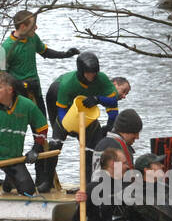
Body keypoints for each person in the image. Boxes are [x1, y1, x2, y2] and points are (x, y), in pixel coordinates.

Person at [45, 51, 120, 193]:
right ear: (81, 71)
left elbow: (113, 102)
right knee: (56, 142)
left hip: (87, 108)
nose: (92, 76)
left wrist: (98, 100)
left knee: (93, 147)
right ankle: (47, 181)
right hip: (60, 101)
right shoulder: (67, 84)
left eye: (94, 73)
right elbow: (60, 111)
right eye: (88, 73)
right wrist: (68, 126)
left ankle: (88, 186)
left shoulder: (102, 79)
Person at [0, 72, 50, 196]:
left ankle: (10, 179)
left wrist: (35, 149)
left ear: (10, 90)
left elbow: (42, 128)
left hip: (13, 156)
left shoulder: (27, 105)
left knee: (28, 191)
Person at [0, 10, 78, 116]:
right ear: (22, 26)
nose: (36, 27)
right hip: (18, 93)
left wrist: (65, 54)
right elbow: (0, 75)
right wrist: (19, 84)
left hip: (35, 89)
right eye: (33, 25)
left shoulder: (33, 37)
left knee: (41, 125)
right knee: (19, 125)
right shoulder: (6, 47)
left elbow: (45, 52)